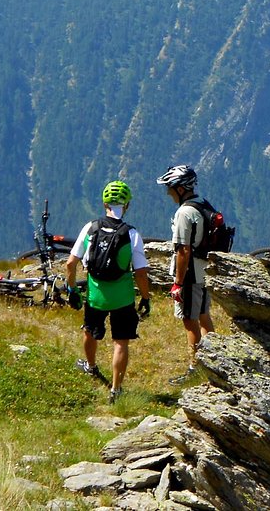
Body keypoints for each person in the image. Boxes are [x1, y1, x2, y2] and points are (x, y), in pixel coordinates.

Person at [65, 180, 152, 404]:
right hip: (122, 298)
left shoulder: (90, 228)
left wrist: (72, 289)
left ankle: (91, 366)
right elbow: (141, 273)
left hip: (96, 295)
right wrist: (145, 297)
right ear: (127, 205)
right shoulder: (131, 234)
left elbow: (70, 263)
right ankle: (116, 390)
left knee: (89, 331)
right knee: (121, 342)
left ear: (104, 203)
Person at [156, 164, 216, 384]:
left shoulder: (184, 212)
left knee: (189, 321)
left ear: (180, 188)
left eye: (170, 187)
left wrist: (178, 283)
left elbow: (183, 250)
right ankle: (215, 362)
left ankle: (195, 369)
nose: (168, 192)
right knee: (203, 316)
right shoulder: (202, 205)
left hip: (190, 276)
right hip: (205, 271)